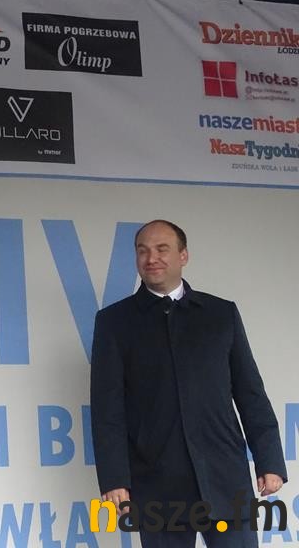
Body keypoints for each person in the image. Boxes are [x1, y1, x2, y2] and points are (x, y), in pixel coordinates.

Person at [90, 219, 287, 548]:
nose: (151, 258)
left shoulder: (220, 314)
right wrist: (115, 478)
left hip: (224, 477)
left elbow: (250, 393)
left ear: (183, 256)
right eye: (143, 251)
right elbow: (107, 409)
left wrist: (269, 461)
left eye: (162, 249)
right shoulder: (114, 322)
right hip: (157, 482)